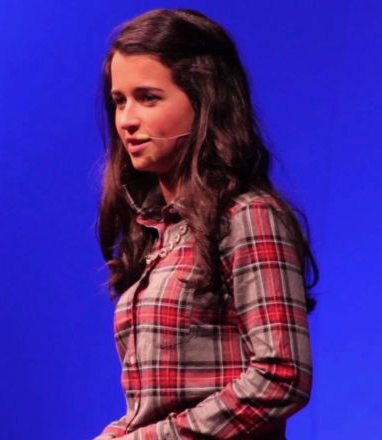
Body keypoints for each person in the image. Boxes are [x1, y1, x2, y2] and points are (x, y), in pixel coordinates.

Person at [94, 8, 317, 440]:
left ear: (203, 101)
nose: (126, 120)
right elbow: (161, 402)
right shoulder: (160, 230)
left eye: (148, 97)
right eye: (119, 100)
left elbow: (281, 375)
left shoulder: (247, 215)